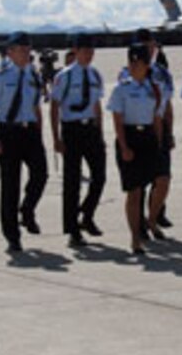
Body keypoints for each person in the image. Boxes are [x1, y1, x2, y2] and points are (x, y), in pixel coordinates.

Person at [0, 32, 49, 253]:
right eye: (20, 50)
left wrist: (40, 133)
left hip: (29, 132)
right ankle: (12, 236)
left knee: (41, 174)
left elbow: (36, 106)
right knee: (10, 186)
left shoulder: (34, 76)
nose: (25, 53)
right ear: (10, 52)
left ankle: (27, 209)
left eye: (27, 49)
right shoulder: (1, 76)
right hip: (9, 133)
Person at [50, 33, 106, 247]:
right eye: (85, 51)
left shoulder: (95, 75)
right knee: (72, 181)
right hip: (72, 130)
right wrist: (56, 137)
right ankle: (73, 229)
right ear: (76, 52)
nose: (89, 55)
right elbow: (55, 106)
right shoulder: (64, 76)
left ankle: (87, 214)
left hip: (90, 129)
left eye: (91, 52)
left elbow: (96, 104)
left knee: (99, 177)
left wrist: (100, 132)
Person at [108, 43, 164, 254]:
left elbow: (157, 118)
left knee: (158, 182)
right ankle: (135, 237)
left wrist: (158, 144)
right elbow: (117, 120)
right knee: (134, 191)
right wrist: (123, 146)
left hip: (148, 138)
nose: (133, 66)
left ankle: (151, 220)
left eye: (138, 62)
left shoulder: (154, 89)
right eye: (130, 62)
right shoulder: (121, 89)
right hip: (129, 138)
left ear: (146, 65)